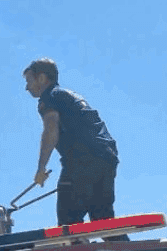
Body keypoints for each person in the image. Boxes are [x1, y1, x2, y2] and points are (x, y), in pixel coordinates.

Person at [22, 58, 126, 239]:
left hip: (82, 160)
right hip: (106, 157)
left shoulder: (50, 97)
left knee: (68, 222)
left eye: (29, 81)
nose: (26, 87)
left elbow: (51, 130)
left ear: (42, 78)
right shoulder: (68, 95)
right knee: (102, 219)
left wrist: (41, 168)